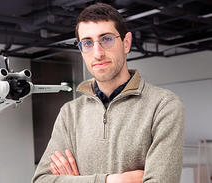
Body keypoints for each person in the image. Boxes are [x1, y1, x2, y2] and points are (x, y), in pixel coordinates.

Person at [31, 2, 184, 183]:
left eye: (107, 39)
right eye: (87, 43)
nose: (97, 53)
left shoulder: (163, 106)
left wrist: (77, 180)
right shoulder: (70, 113)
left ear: (126, 43)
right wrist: (111, 180)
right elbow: (41, 180)